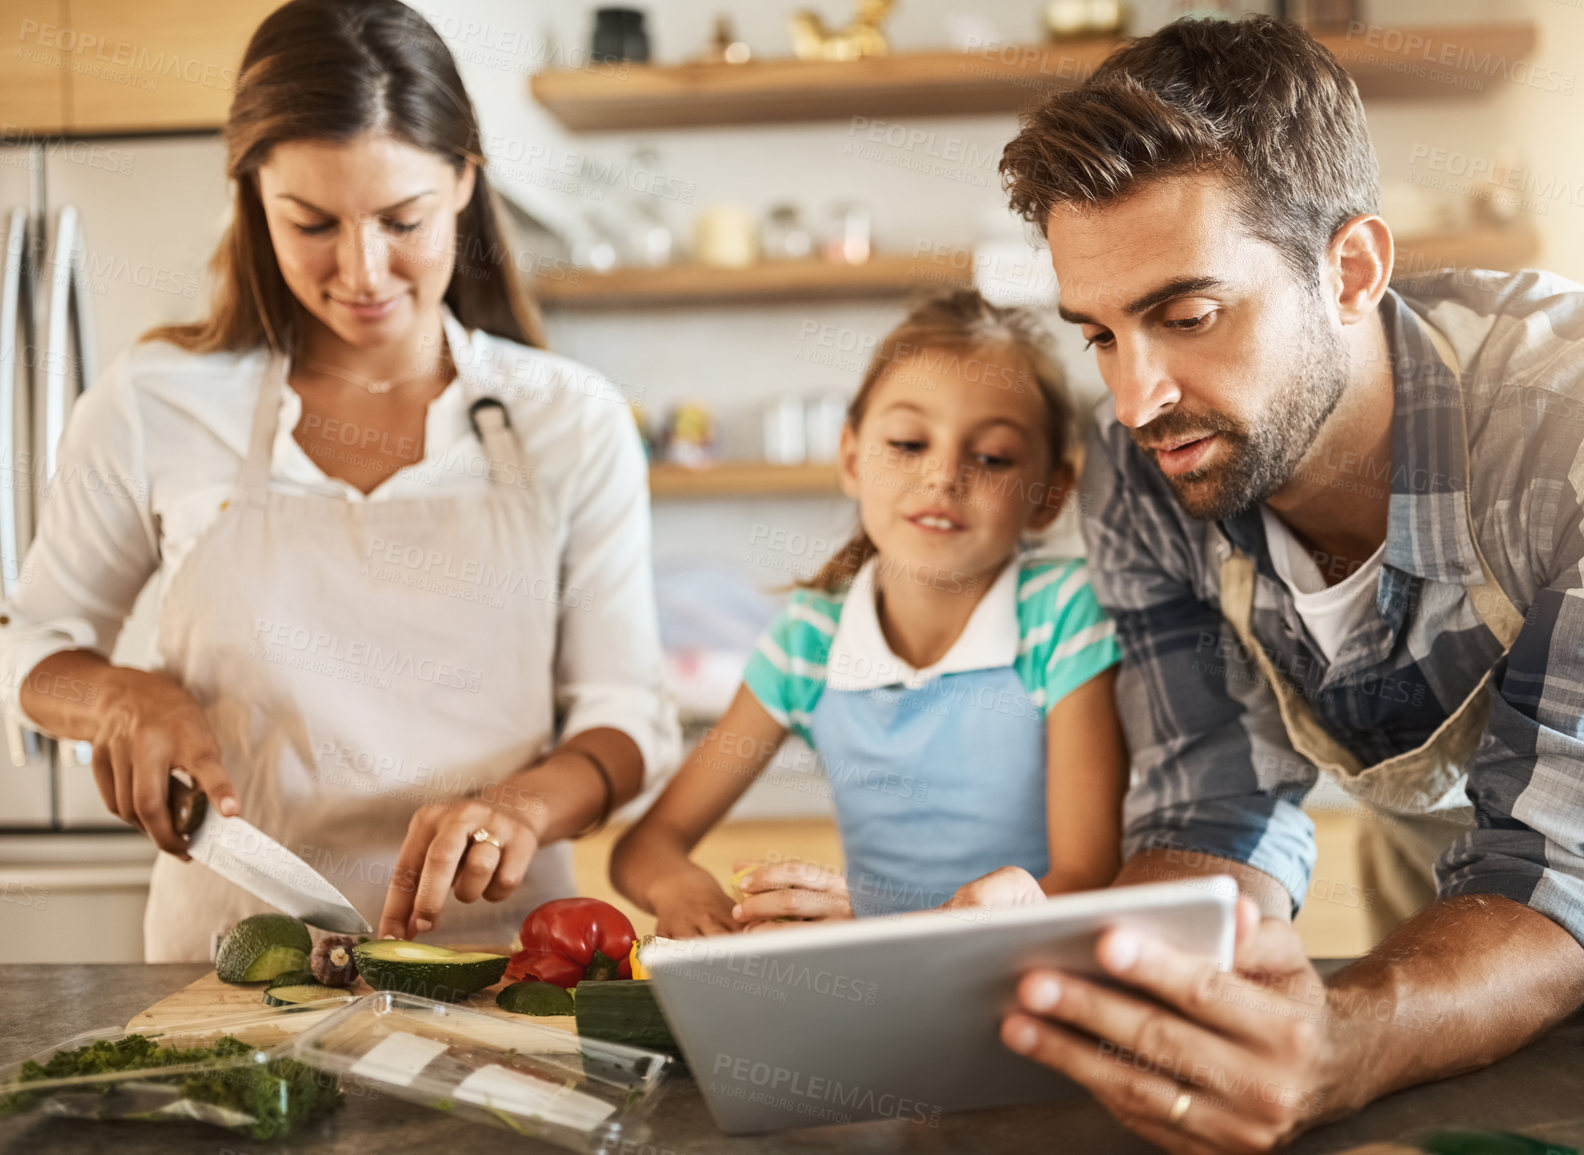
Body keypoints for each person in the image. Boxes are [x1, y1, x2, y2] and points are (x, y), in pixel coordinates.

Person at [952, 15, 1584, 1152]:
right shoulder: (1142, 466)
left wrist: (1348, 1038)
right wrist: (1101, 963)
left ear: (1353, 269)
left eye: (1188, 316)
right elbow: (1212, 808)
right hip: (1449, 924)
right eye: (1101, 336)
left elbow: (1571, 865)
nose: (1137, 398)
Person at [0, 0, 677, 960]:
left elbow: (625, 718)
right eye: (311, 221)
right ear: (253, 197)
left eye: (402, 220)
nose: (362, 269)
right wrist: (115, 695)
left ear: (463, 186)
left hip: (498, 966)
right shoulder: (155, 402)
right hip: (231, 965)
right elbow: (33, 643)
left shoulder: (572, 419)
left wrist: (519, 807)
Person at [610, 290, 1127, 935]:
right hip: (876, 984)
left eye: (992, 457)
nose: (943, 475)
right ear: (852, 458)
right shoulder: (809, 639)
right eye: (909, 443)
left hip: (1029, 973)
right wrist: (684, 890)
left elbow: (1088, 876)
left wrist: (949, 929)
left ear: (1050, 495)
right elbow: (644, 849)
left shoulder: (1064, 615)